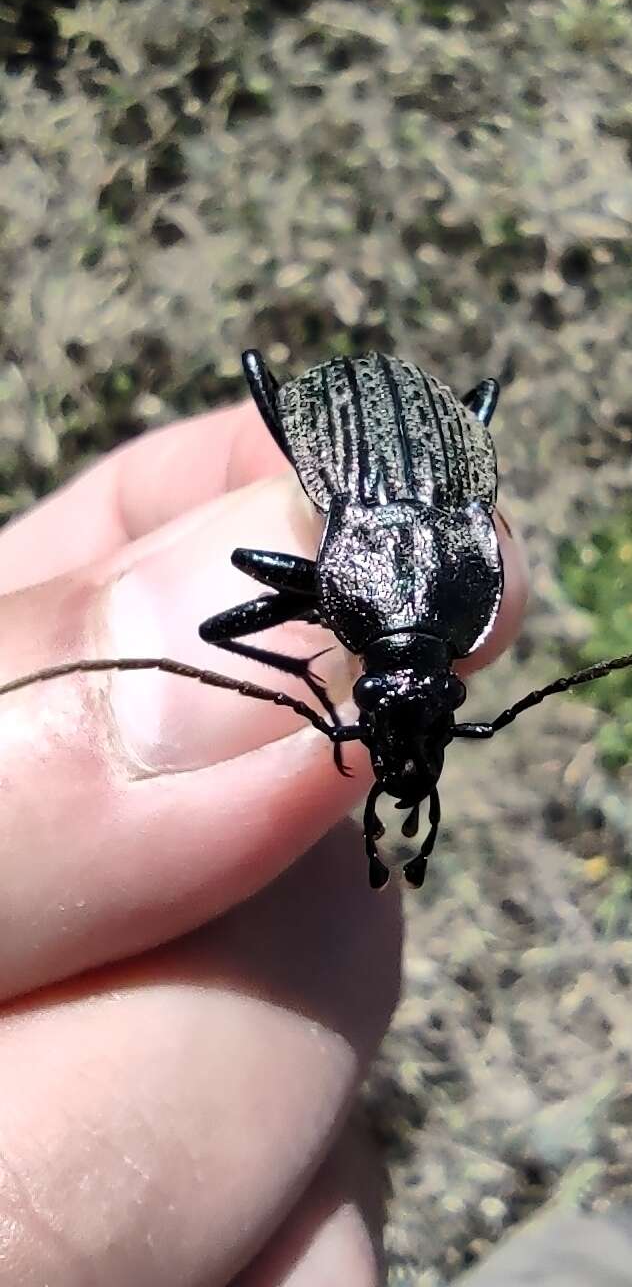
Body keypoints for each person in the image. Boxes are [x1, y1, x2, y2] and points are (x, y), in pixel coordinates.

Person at [0, 394, 527, 1285]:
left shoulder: (452, 591)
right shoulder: (459, 590)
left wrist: (323, 697)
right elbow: (224, 598)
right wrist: (319, 693)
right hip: (386, 453)